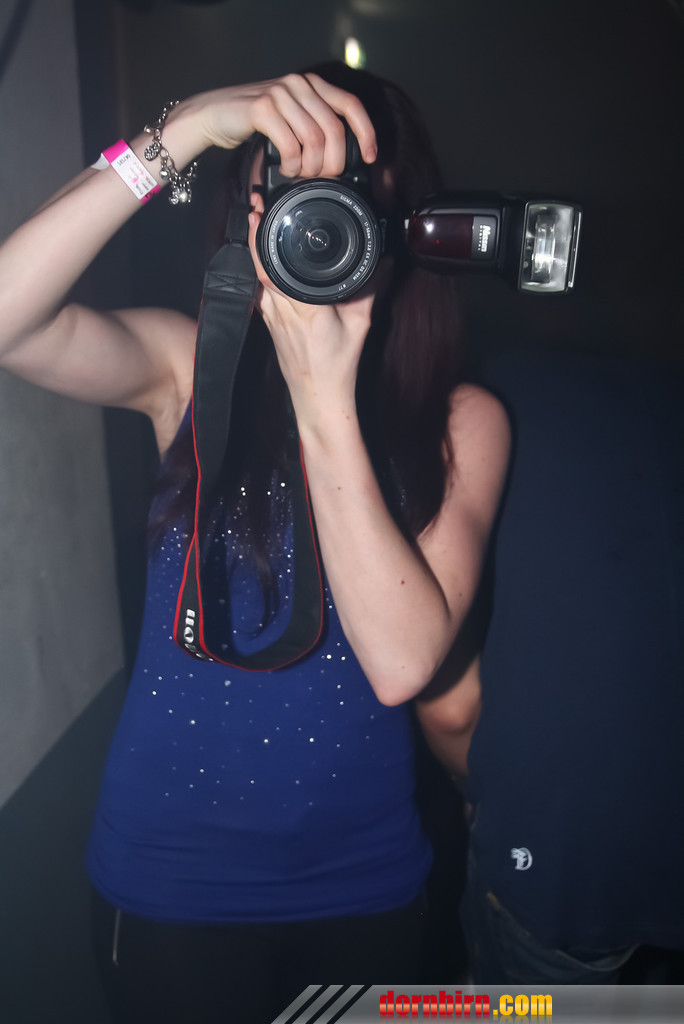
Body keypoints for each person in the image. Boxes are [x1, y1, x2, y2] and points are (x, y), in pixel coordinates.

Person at [0, 64, 509, 1021]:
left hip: (365, 886)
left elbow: (402, 663)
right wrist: (184, 130)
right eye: (287, 188)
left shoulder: (462, 422)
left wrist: (324, 398)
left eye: (344, 192)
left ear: (399, 221)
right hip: (169, 887)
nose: (316, 220)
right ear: (247, 217)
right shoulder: (189, 370)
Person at [417, 349, 684, 985]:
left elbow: (452, 708)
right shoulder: (659, 386)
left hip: (566, 856)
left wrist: (473, 791)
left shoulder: (464, 413)